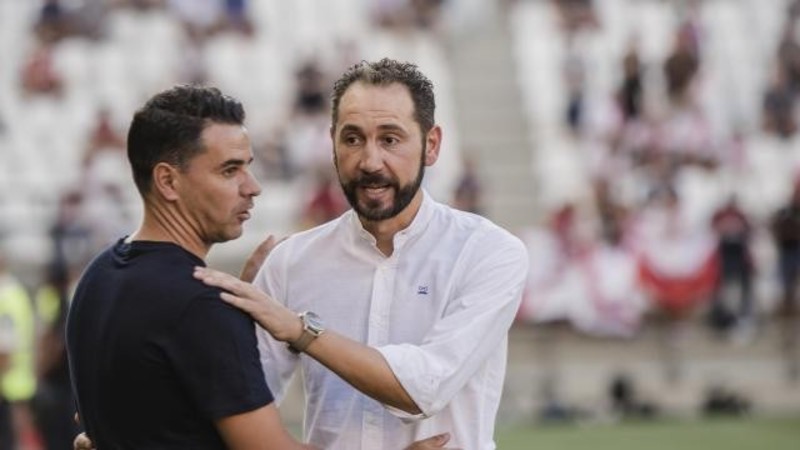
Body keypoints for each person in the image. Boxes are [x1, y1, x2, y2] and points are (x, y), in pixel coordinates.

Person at [66, 84, 453, 450]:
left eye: (247, 167)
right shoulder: (200, 308)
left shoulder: (98, 276)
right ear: (168, 181)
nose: (252, 186)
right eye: (229, 170)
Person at [193, 58, 529, 449]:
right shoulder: (290, 262)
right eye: (352, 139)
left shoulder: (488, 252)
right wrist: (234, 332)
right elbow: (240, 408)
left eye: (390, 139)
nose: (370, 162)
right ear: (332, 143)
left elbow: (424, 389)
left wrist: (303, 331)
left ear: (432, 144)